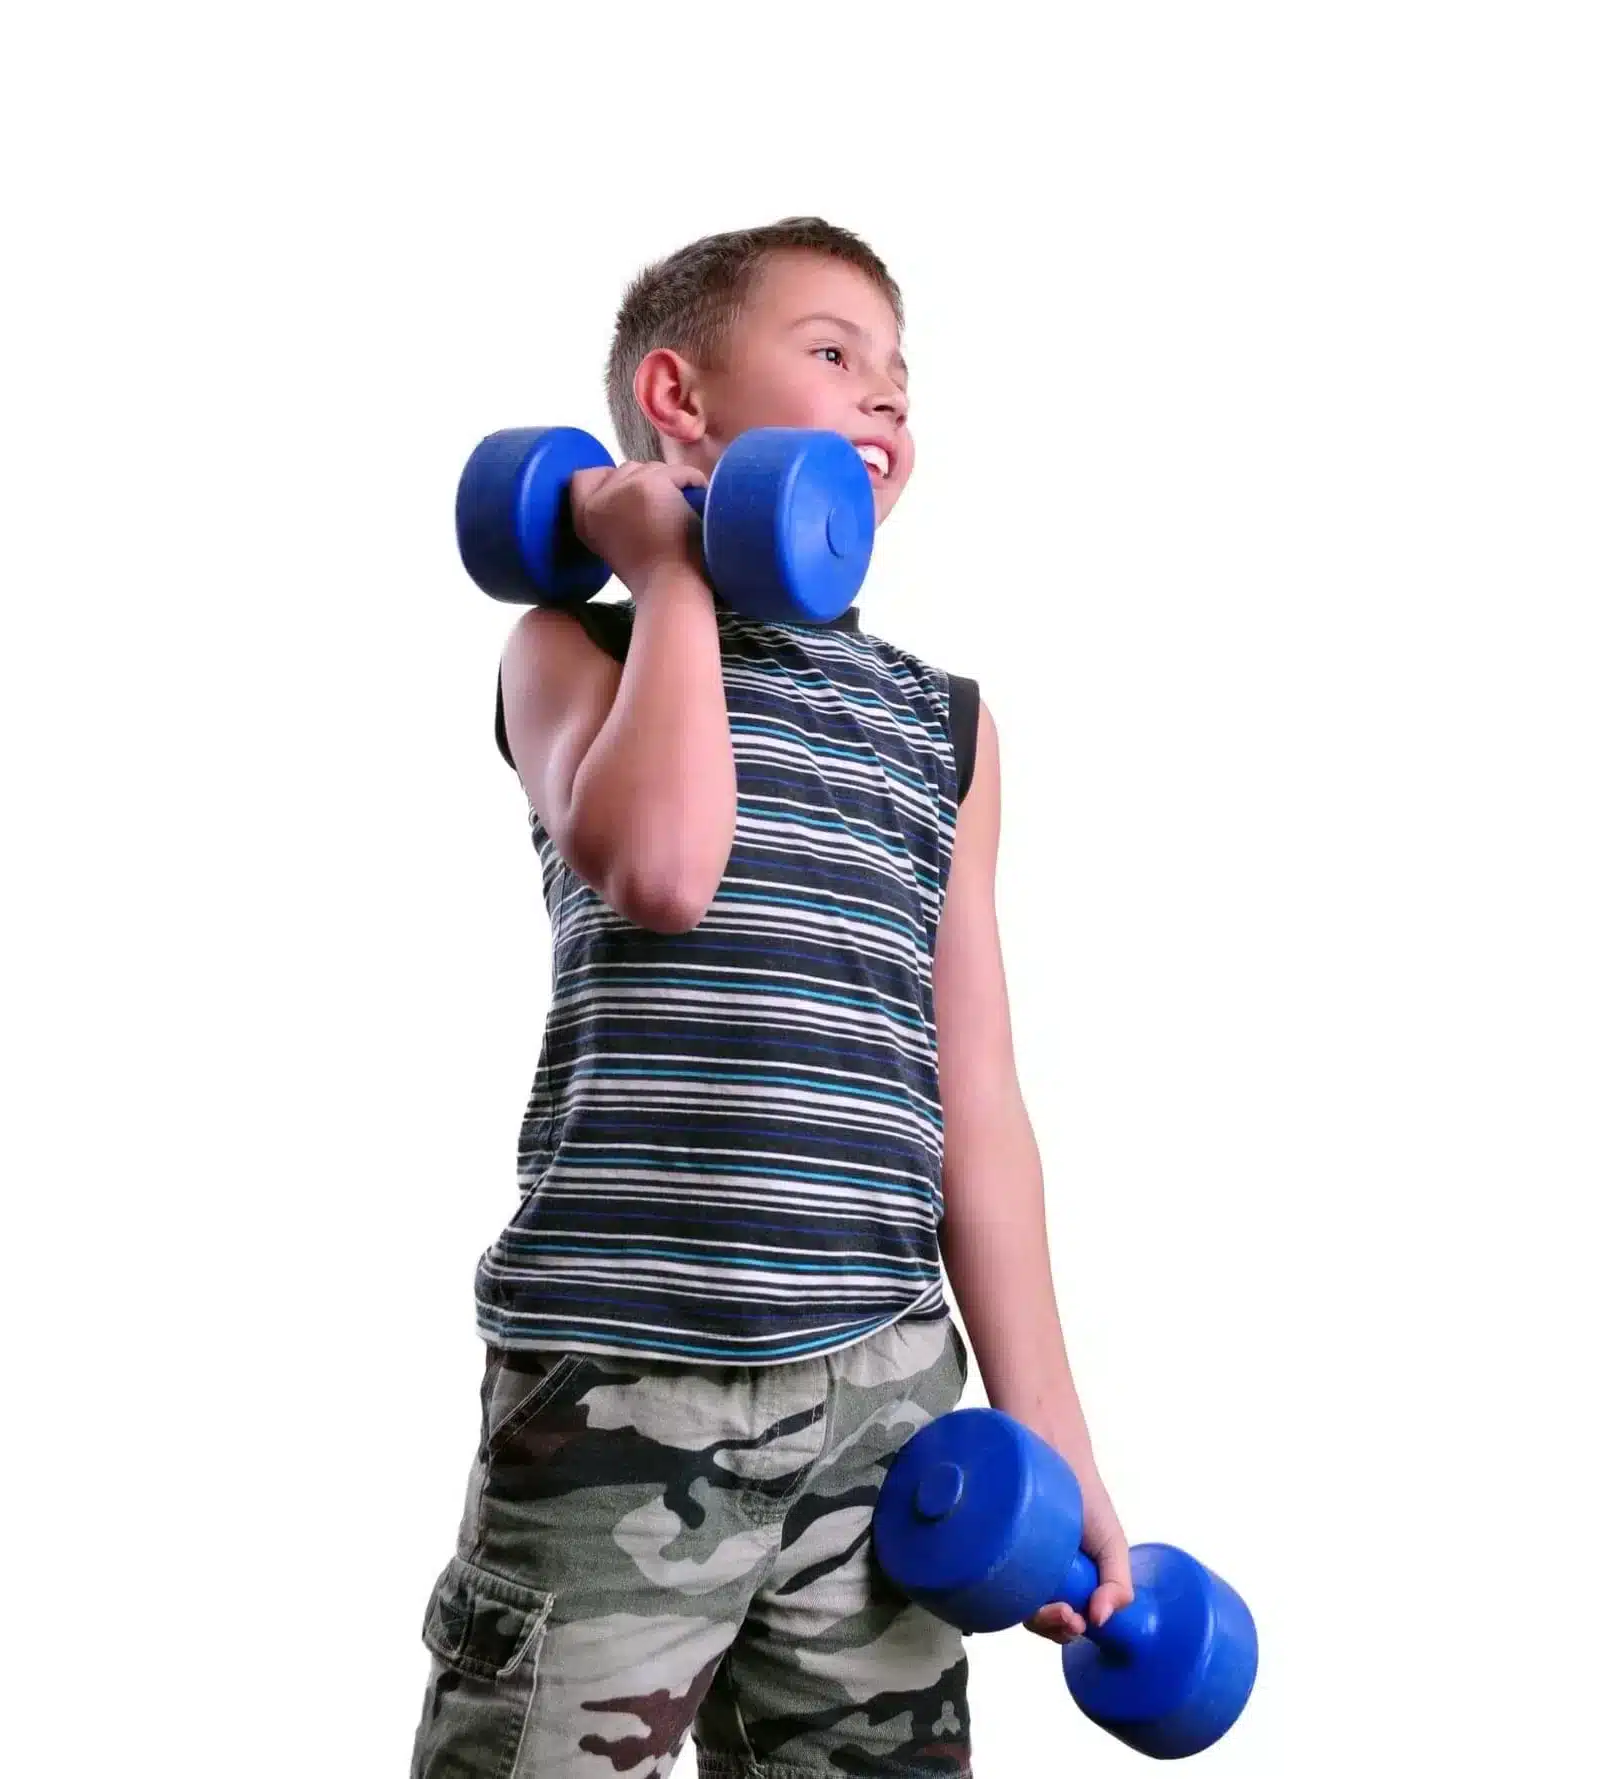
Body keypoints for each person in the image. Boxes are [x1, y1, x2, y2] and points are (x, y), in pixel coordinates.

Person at [411, 217, 1131, 1779]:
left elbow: (978, 1096)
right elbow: (662, 865)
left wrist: (1049, 1428)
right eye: (832, 354)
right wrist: (665, 571)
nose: (886, 404)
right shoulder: (568, 654)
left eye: (900, 380)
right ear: (680, 397)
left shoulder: (941, 726)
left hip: (879, 1404)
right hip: (616, 1392)